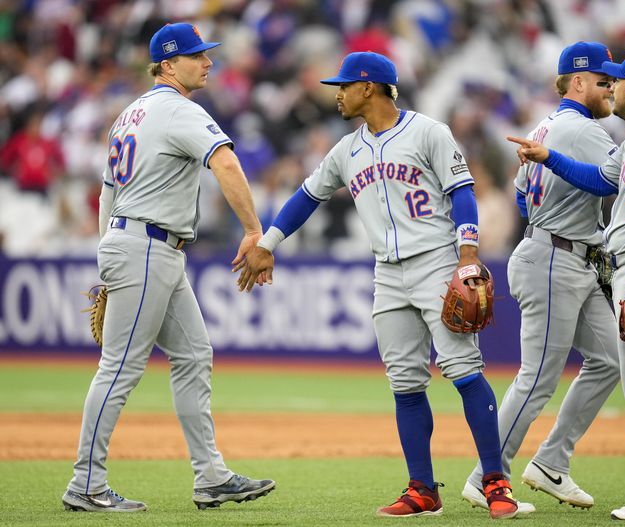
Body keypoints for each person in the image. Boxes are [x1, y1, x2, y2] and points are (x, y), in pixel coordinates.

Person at [235, 51, 526, 520]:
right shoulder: (345, 149)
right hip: (387, 273)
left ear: (368, 87)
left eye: (344, 86)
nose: (338, 94)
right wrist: (268, 243)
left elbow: (462, 190)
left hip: (435, 261)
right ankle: (422, 490)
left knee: (464, 370)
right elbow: (307, 196)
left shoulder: (429, 131)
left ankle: (496, 481)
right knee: (405, 383)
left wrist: (468, 253)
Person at [62, 23, 275, 512]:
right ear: (168, 63)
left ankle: (211, 477)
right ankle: (86, 484)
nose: (208, 62)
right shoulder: (179, 110)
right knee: (119, 369)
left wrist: (109, 252)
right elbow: (225, 163)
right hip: (146, 246)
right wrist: (252, 231)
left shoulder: (130, 113)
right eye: (197, 55)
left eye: (207, 54)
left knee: (195, 354)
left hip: (143, 244)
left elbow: (106, 193)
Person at [508, 50, 625, 521]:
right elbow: (597, 179)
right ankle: (562, 464)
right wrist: (548, 157)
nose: (610, 87)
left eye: (617, 81)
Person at [462, 41, 622, 512]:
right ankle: (485, 476)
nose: (611, 87)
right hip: (554, 257)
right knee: (536, 380)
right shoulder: (582, 129)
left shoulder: (545, 126)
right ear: (577, 82)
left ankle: (552, 461)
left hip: (560, 252)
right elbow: (615, 180)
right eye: (602, 80)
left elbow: (519, 198)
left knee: (611, 359)